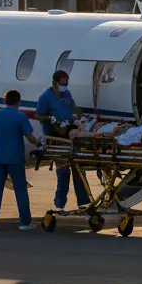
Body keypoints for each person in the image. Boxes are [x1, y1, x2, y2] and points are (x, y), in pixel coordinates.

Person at [0, 89, 41, 230]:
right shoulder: (20, 117)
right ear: (18, 102)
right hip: (15, 158)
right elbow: (29, 136)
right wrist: (39, 144)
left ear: (5, 101)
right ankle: (24, 223)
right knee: (20, 189)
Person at [36, 69, 90, 210]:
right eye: (63, 83)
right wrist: (49, 118)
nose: (65, 86)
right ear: (55, 83)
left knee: (79, 169)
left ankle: (83, 202)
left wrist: (83, 117)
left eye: (67, 83)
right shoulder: (45, 97)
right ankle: (60, 204)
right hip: (55, 135)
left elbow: (74, 107)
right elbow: (39, 115)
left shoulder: (67, 94)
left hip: (68, 132)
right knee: (63, 171)